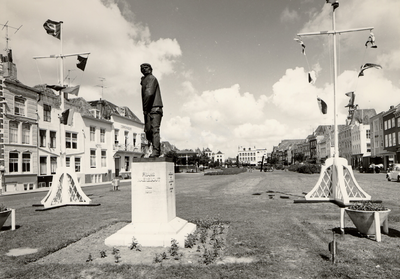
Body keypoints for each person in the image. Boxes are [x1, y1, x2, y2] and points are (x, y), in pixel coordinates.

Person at [140, 63, 163, 157]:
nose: (144, 69)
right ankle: (153, 149)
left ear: (150, 69)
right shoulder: (146, 80)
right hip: (149, 109)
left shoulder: (151, 78)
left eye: (146, 68)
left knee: (154, 130)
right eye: (142, 68)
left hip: (154, 108)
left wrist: (145, 109)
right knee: (148, 130)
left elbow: (149, 94)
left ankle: (156, 151)